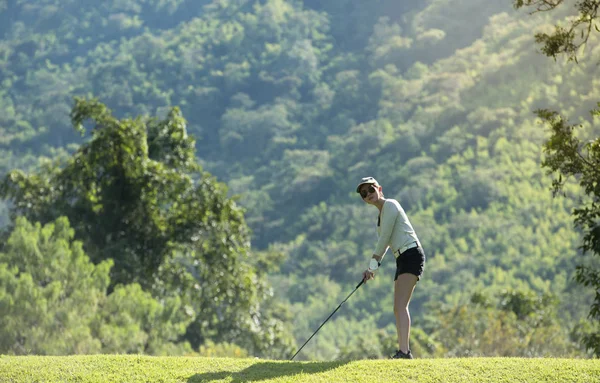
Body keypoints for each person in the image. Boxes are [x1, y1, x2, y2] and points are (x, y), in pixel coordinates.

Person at [356, 176, 425, 359]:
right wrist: (372, 268)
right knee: (398, 307)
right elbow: (385, 243)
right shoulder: (381, 216)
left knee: (400, 306)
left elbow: (384, 238)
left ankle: (404, 352)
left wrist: (372, 266)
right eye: (364, 193)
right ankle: (403, 351)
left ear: (379, 188)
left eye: (370, 189)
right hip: (401, 258)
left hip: (411, 254)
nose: (368, 194)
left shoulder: (391, 205)